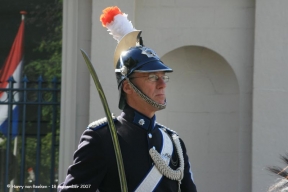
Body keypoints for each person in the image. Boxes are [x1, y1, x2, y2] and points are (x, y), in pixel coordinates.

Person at [58, 6, 197, 192]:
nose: (162, 84)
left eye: (163, 76)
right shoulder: (102, 138)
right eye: (152, 77)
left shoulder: (173, 142)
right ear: (127, 86)